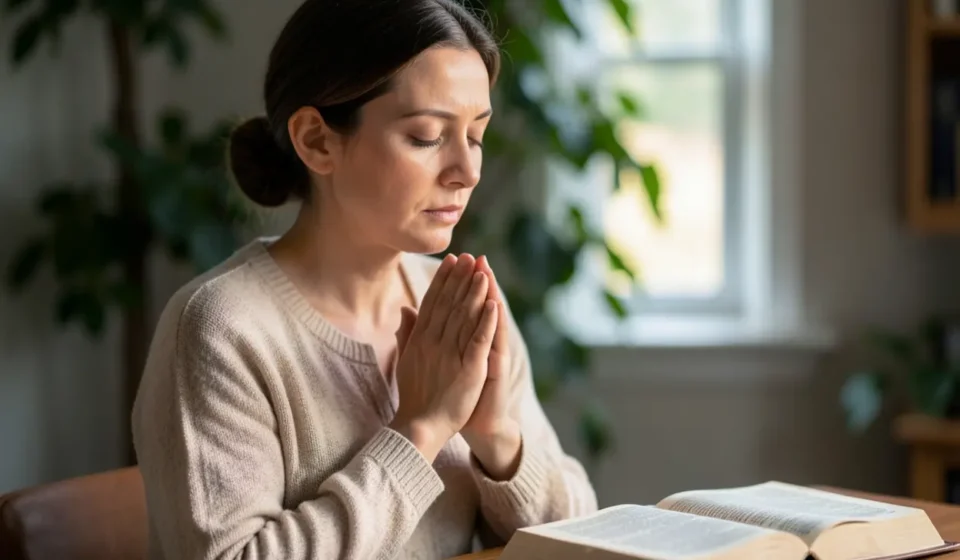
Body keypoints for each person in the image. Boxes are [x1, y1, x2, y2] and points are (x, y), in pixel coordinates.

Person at [131, 0, 598, 558]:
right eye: (427, 136)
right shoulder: (220, 330)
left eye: (476, 135)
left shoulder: (457, 306)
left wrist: (497, 438)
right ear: (317, 140)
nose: (468, 171)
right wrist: (420, 430)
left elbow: (583, 538)